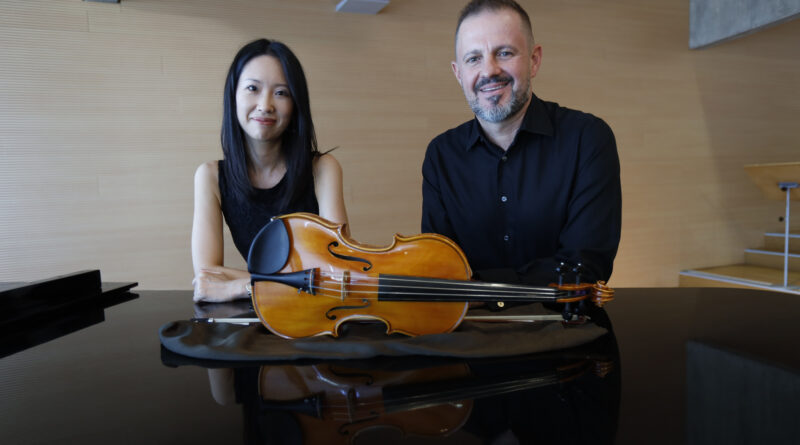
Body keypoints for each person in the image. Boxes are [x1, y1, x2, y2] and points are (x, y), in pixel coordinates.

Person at [422, 0, 621, 286]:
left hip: (566, 327)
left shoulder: (588, 139)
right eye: (473, 58)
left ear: (534, 60)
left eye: (504, 53)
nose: (489, 71)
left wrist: (480, 286)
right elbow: (439, 268)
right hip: (468, 327)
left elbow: (586, 266)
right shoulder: (440, 155)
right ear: (458, 73)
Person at [192, 39, 348, 303]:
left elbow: (340, 271)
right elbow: (207, 277)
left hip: (316, 314)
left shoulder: (323, 169)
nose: (265, 105)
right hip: (258, 318)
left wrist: (239, 285)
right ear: (233, 96)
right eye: (253, 88)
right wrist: (294, 281)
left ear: (296, 104)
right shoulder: (210, 177)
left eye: (281, 93)